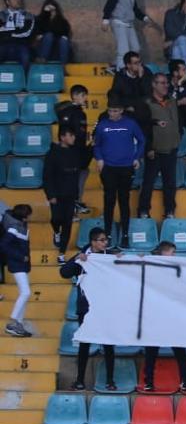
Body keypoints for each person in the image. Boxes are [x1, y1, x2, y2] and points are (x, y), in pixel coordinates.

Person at [65, 228, 116, 390]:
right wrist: (76, 259)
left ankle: (110, 381)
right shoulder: (83, 256)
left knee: (108, 344)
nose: (105, 242)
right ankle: (79, 380)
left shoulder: (110, 256)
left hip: (106, 307)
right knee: (85, 344)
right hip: (86, 307)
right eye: (102, 240)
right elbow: (63, 272)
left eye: (106, 239)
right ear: (93, 242)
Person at [93, 96, 144, 248]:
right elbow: (96, 145)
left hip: (126, 167)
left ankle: (125, 235)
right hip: (108, 167)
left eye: (115, 111)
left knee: (124, 201)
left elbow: (142, 140)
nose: (112, 114)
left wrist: (137, 157)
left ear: (121, 111)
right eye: (109, 111)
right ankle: (107, 235)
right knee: (108, 201)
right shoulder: (102, 125)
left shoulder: (130, 123)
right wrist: (99, 159)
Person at [140, 241, 186, 393]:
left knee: (179, 351)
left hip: (172, 316)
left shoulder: (178, 268)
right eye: (171, 252)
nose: (174, 255)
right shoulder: (151, 266)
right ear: (162, 252)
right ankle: (148, 382)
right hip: (156, 315)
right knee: (151, 351)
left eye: (174, 252)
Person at [138, 73, 179, 219]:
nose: (165, 86)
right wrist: (148, 147)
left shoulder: (172, 101)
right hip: (154, 150)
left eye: (166, 83)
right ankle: (143, 211)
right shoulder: (146, 102)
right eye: (161, 83)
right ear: (154, 85)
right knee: (148, 182)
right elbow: (142, 127)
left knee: (170, 183)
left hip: (171, 148)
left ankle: (170, 211)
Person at [102, 0, 156, 71]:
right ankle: (121, 72)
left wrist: (146, 19)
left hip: (129, 23)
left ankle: (114, 65)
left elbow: (135, 9)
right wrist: (105, 20)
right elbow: (110, 3)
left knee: (135, 48)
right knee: (123, 50)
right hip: (118, 22)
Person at [54, 85, 92, 214]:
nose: (85, 98)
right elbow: (75, 134)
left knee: (80, 175)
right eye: (83, 95)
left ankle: (75, 203)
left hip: (71, 150)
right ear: (75, 96)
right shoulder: (76, 112)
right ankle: (74, 204)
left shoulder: (66, 111)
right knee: (77, 177)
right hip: (74, 151)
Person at [2, 205, 32, 337]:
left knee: (24, 293)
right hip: (17, 264)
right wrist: (20, 257)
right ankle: (13, 321)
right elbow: (2, 245)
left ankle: (18, 324)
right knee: (26, 292)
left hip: (21, 265)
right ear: (24, 216)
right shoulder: (14, 228)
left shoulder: (21, 226)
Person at [109, 51, 155, 121]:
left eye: (140, 62)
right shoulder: (121, 76)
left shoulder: (146, 72)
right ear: (128, 65)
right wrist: (126, 107)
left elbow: (148, 93)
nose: (139, 65)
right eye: (136, 63)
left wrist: (141, 78)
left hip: (142, 108)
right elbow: (115, 94)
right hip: (126, 107)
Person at [0, 0, 34, 69]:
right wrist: (16, 31)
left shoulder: (27, 15)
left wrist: (7, 33)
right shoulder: (1, 15)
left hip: (21, 45)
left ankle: (25, 80)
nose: (18, 0)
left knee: (26, 58)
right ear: (7, 1)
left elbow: (27, 32)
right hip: (3, 45)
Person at [33, 0, 72, 64]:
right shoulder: (40, 20)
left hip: (58, 50)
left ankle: (63, 67)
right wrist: (45, 15)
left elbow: (64, 33)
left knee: (63, 40)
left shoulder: (62, 21)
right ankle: (42, 60)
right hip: (42, 50)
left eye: (53, 11)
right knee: (48, 35)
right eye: (49, 11)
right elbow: (39, 31)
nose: (51, 13)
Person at [168, 58, 186, 142]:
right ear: (175, 73)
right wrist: (179, 84)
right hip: (170, 113)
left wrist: (176, 101)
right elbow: (166, 102)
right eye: (184, 70)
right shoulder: (165, 81)